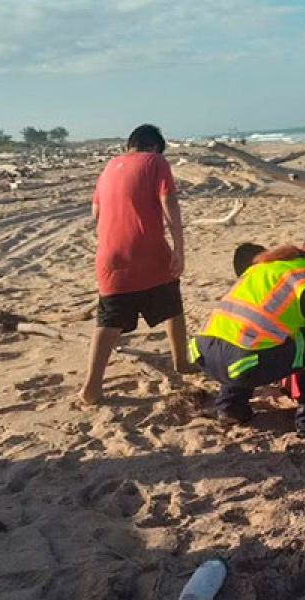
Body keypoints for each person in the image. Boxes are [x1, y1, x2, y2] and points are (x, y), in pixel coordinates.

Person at [191, 225, 305, 437]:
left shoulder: (264, 266)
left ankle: (230, 406)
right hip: (241, 365)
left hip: (206, 353)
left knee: (250, 337)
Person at [79, 124, 188, 405]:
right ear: (153, 146)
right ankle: (181, 361)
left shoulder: (109, 168)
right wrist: (179, 246)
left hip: (110, 256)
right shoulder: (156, 161)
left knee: (109, 319)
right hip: (147, 250)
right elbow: (169, 202)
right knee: (172, 303)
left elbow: (96, 213)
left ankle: (92, 386)